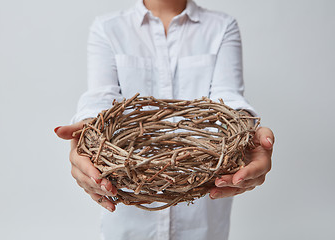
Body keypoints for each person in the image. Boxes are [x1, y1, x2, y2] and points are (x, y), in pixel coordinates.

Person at [55, 0, 275, 239]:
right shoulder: (108, 28)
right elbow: (100, 101)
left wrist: (246, 131)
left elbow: (228, 101)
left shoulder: (221, 26)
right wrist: (88, 131)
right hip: (130, 216)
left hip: (201, 213)